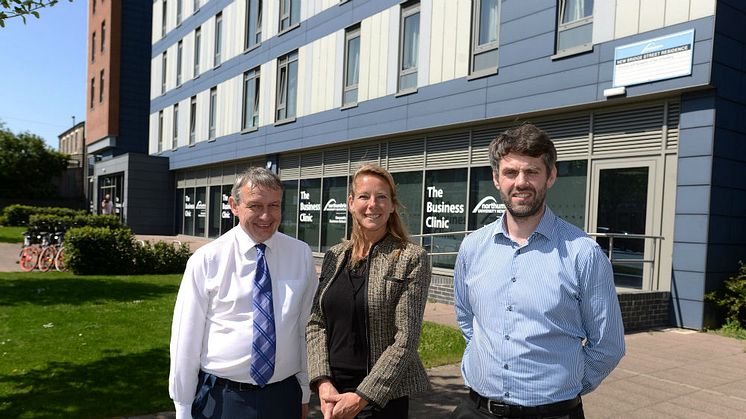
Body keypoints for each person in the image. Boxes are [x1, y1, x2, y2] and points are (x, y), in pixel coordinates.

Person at [451, 124, 625, 419]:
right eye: (510, 172)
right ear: (496, 178)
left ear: (551, 176)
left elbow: (608, 344)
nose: (521, 182)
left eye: (532, 172)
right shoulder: (472, 247)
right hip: (477, 410)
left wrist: (565, 386)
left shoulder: (584, 253)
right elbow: (467, 319)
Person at [169, 167, 317, 419]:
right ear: (234, 205)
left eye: (274, 205)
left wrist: (304, 392)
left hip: (283, 397)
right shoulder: (207, 259)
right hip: (224, 401)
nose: (266, 216)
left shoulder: (300, 254)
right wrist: (183, 408)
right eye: (255, 206)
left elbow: (306, 327)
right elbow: (186, 339)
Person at [306, 164, 431, 419]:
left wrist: (363, 397)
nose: (372, 204)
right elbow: (316, 322)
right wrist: (322, 380)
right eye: (364, 196)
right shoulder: (335, 256)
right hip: (331, 394)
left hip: (381, 398)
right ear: (351, 203)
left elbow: (405, 339)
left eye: (381, 197)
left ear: (392, 205)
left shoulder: (411, 257)